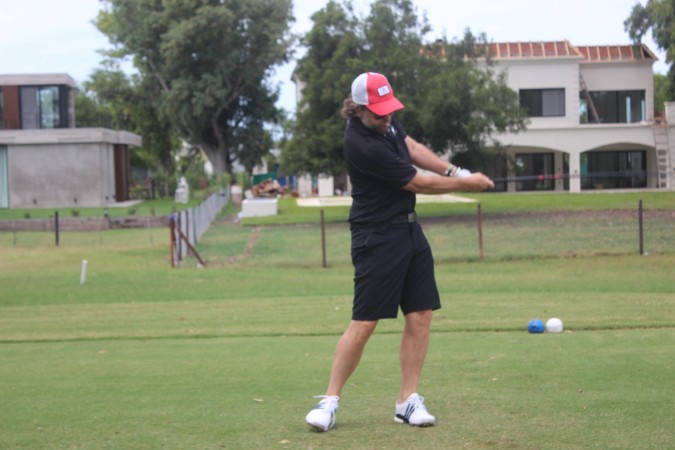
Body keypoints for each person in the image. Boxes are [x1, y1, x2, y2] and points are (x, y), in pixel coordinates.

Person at [305, 72, 494, 432]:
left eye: (389, 108)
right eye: (379, 112)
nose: (387, 116)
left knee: (421, 313)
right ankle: (329, 401)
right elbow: (417, 182)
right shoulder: (362, 143)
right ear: (358, 109)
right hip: (376, 236)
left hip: (408, 230)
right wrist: (466, 184)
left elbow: (412, 147)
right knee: (365, 321)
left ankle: (408, 401)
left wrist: (455, 169)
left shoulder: (384, 121)